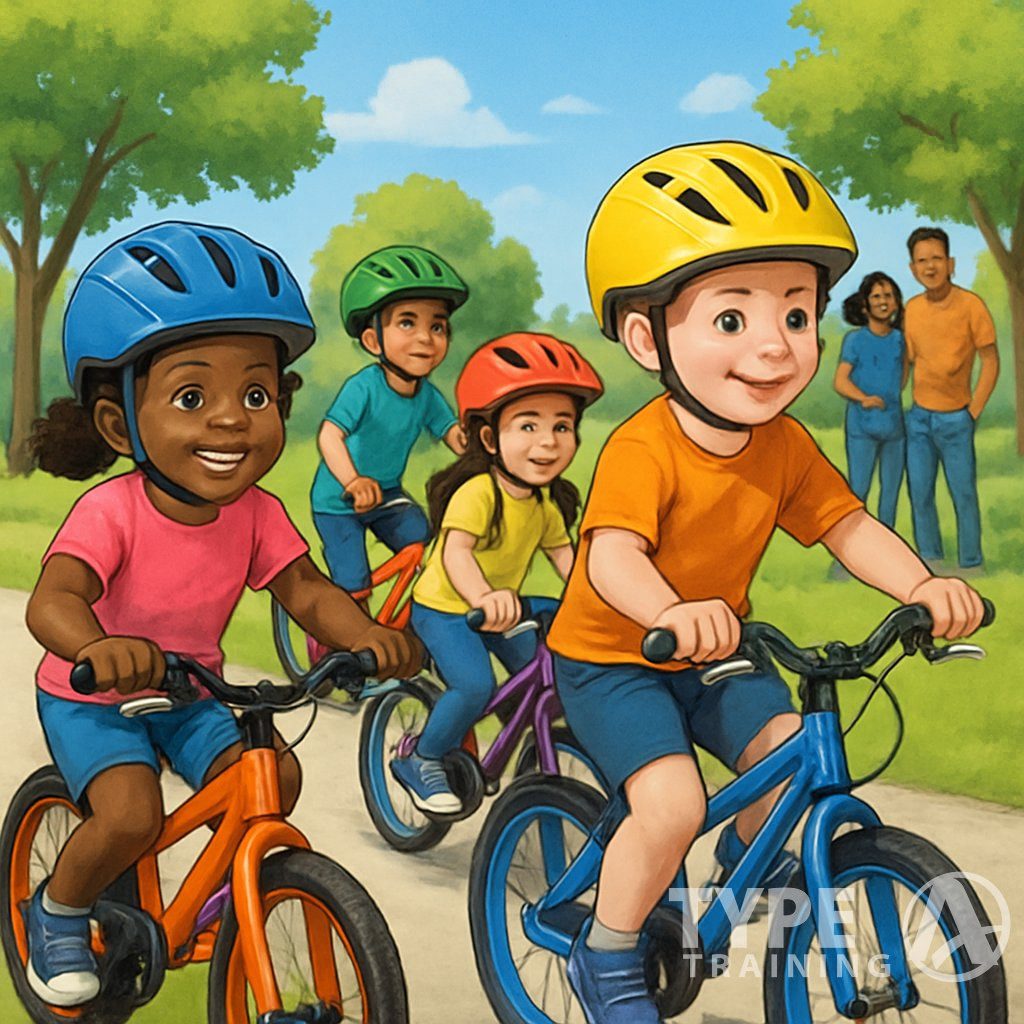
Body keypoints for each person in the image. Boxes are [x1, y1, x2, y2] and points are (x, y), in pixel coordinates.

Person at [545, 143, 987, 1024]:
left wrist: (922, 585)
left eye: (796, 315)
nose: (776, 349)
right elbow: (610, 558)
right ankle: (608, 954)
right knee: (671, 802)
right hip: (613, 658)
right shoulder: (644, 446)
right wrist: (670, 609)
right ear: (646, 336)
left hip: (718, 651)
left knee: (793, 768)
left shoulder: (783, 445)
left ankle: (729, 881)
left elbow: (847, 524)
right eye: (733, 320)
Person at [23, 222, 421, 1007]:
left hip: (192, 692)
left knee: (274, 777)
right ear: (118, 424)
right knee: (132, 814)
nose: (233, 420)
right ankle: (58, 910)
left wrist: (368, 635)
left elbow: (306, 591)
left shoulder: (257, 513)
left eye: (258, 394)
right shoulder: (114, 512)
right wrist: (100, 646)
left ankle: (221, 898)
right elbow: (53, 600)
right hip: (94, 695)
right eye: (193, 396)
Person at [391, 333, 603, 813]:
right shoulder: (479, 493)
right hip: (447, 609)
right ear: (489, 438)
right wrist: (483, 597)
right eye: (528, 426)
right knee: (474, 685)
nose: (548, 443)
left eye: (562, 427)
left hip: (501, 609)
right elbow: (456, 554)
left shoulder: (546, 503)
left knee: (550, 675)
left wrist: (600, 600)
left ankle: (519, 752)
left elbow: (565, 557)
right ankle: (420, 757)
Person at [310, 245, 469, 595]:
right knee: (354, 584)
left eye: (437, 326)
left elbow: (454, 435)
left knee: (428, 548)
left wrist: (486, 455)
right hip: (339, 500)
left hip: (387, 495)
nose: (426, 338)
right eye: (407, 322)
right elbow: (329, 436)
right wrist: (353, 481)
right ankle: (336, 637)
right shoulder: (364, 387)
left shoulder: (427, 394)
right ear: (372, 340)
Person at [904, 227, 999, 572]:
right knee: (920, 494)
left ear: (951, 263)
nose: (930, 267)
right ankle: (930, 560)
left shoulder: (971, 306)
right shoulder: (911, 309)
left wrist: (972, 411)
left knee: (963, 494)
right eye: (922, 261)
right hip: (918, 419)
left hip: (956, 418)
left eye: (937, 259)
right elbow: (907, 362)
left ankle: (972, 563)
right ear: (913, 269)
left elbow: (991, 360)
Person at [833, 271, 906, 528]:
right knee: (858, 492)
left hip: (894, 428)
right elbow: (840, 381)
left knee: (890, 494)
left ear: (896, 302)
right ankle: (850, 556)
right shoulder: (855, 340)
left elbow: (903, 377)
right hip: (862, 429)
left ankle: (887, 552)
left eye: (888, 295)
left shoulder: (901, 340)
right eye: (876, 296)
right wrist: (863, 398)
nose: (883, 301)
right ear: (865, 305)